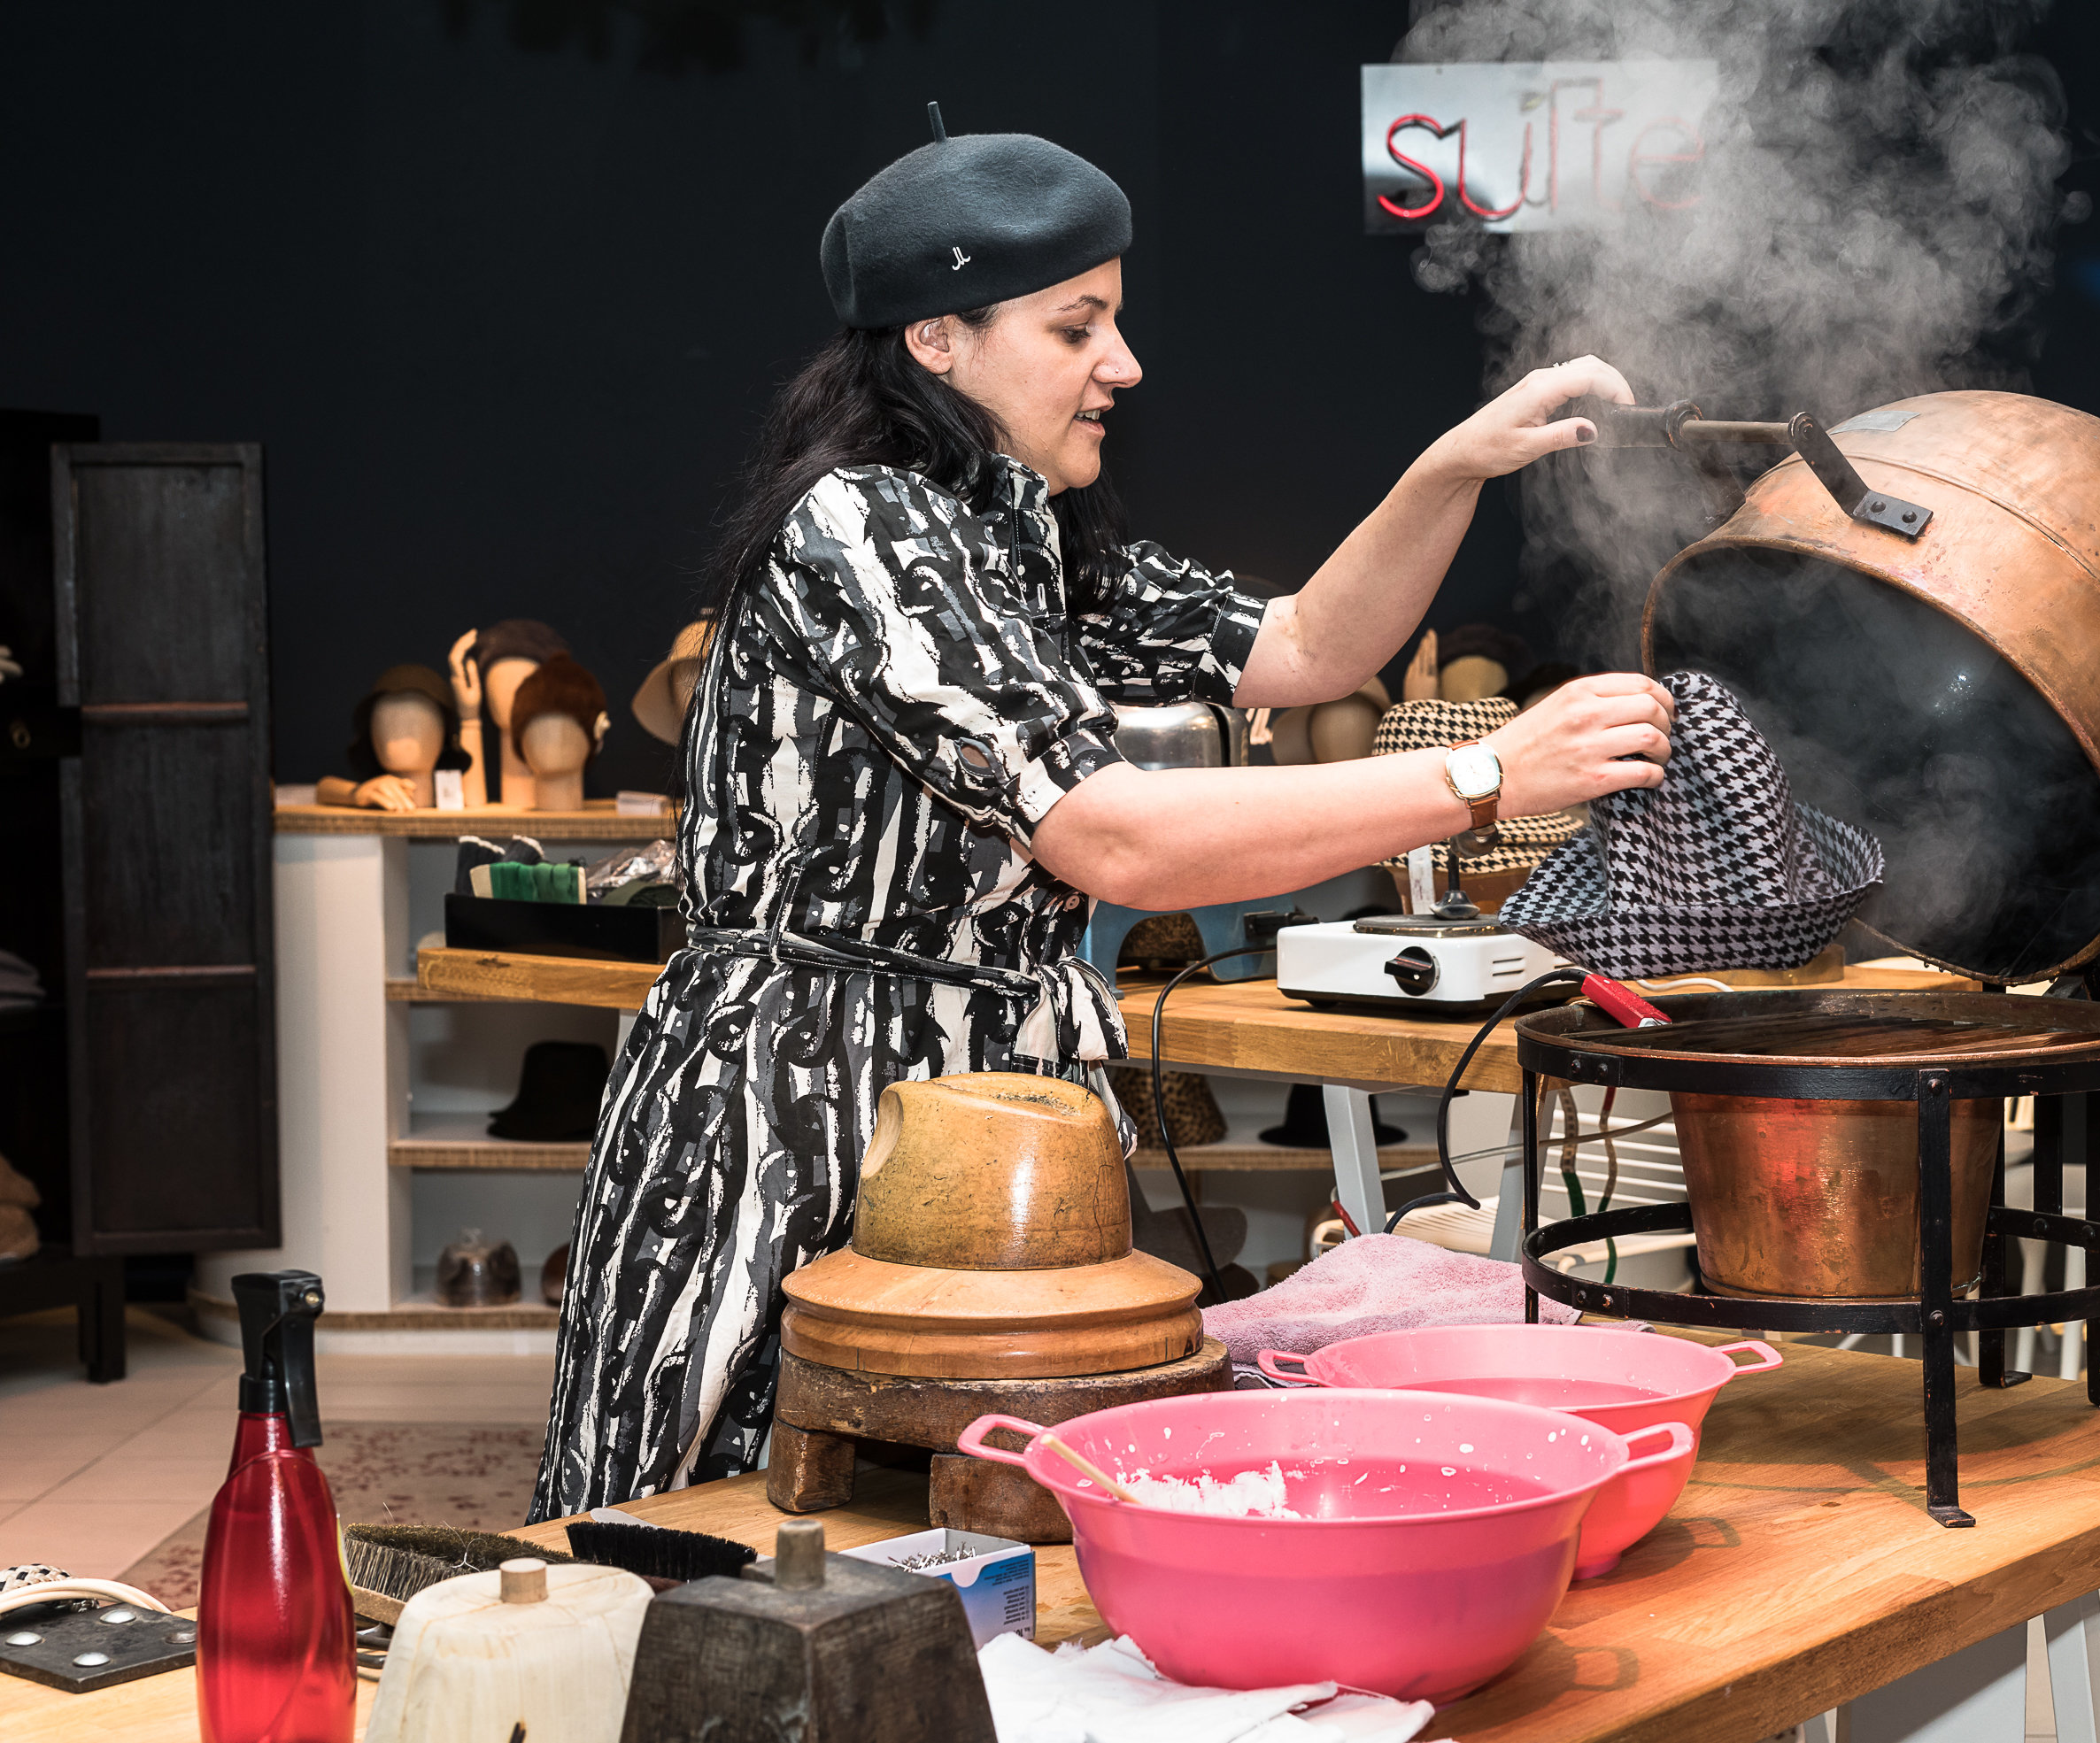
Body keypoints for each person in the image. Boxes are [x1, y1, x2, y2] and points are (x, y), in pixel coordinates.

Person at [530, 108, 1672, 1517]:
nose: (1122, 365)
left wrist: (1451, 466)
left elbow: (1309, 647)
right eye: (1077, 328)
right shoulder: (867, 525)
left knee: (972, 1531)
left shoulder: (1030, 532)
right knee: (715, 1528)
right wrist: (1485, 773)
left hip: (998, 1104)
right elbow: (1110, 834)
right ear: (938, 339)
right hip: (801, 1103)